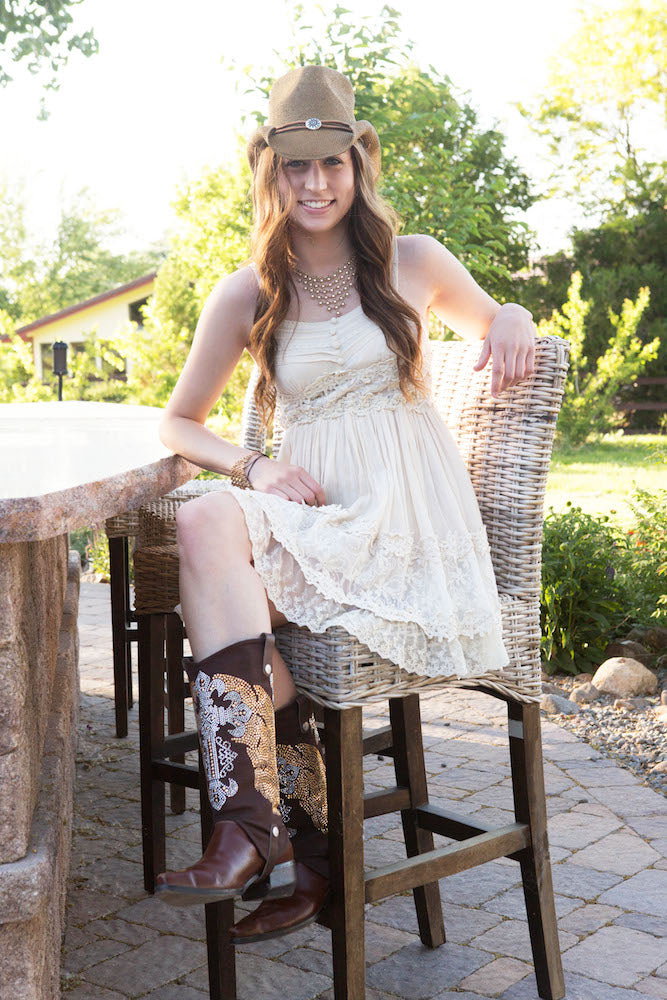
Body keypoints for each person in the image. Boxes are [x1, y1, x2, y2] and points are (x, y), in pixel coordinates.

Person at [154, 64, 536, 942]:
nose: (315, 184)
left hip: (404, 520)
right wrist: (251, 467)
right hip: (320, 515)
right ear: (271, 174)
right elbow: (179, 422)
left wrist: (511, 311)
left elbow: (495, 321)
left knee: (221, 605)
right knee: (206, 520)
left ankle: (286, 844)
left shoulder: (413, 260)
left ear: (359, 163)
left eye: (332, 163)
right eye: (296, 166)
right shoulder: (250, 288)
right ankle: (269, 832)